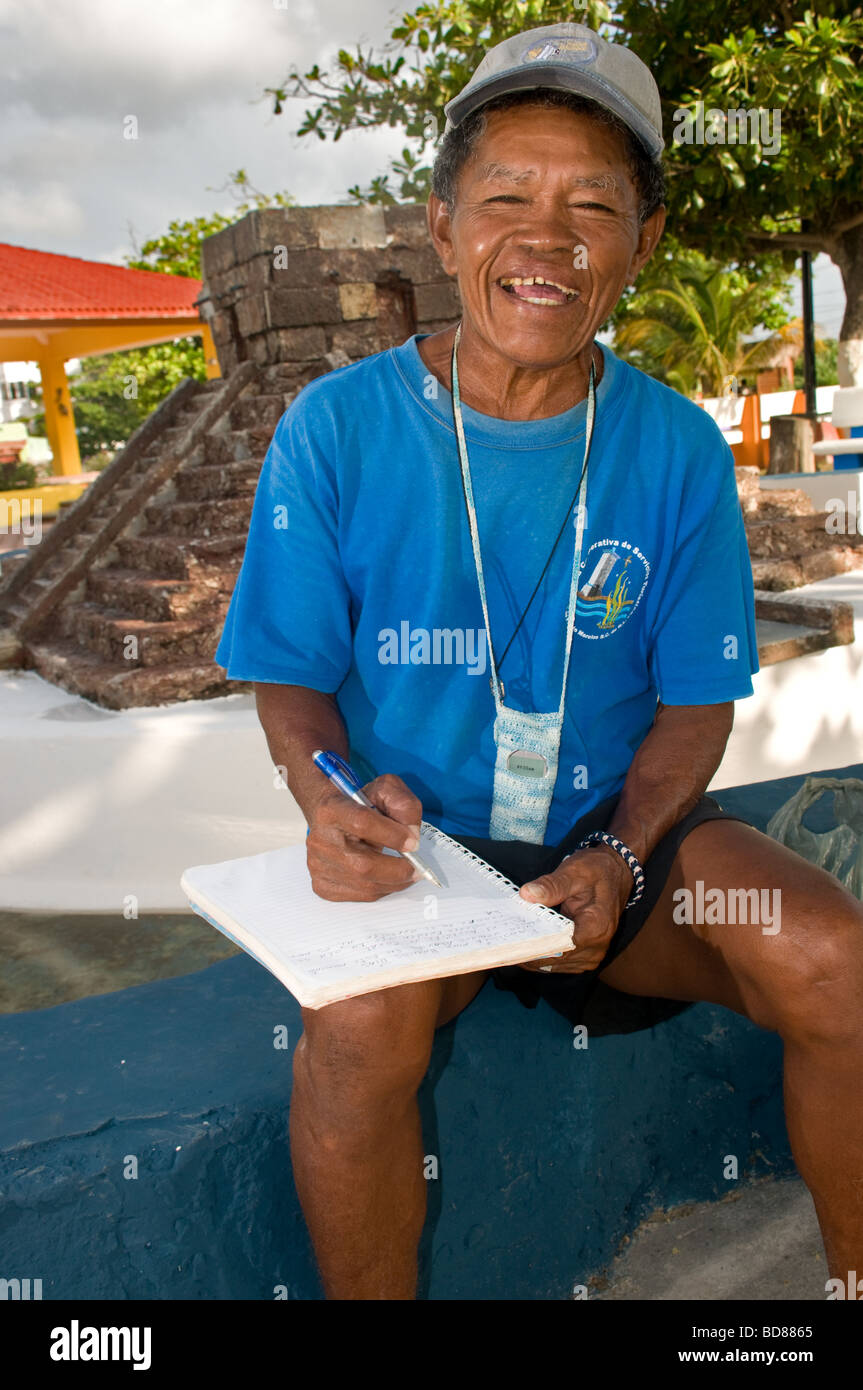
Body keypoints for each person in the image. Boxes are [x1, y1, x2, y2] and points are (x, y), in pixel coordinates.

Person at [215, 22, 863, 1300]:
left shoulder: (673, 446)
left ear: (645, 242)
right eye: (506, 195)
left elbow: (694, 704)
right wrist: (329, 799)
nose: (547, 237)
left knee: (833, 958)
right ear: (444, 227)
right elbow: (287, 670)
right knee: (354, 1032)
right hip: (427, 851)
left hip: (618, 832)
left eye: (593, 205)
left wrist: (620, 855)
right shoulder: (334, 429)